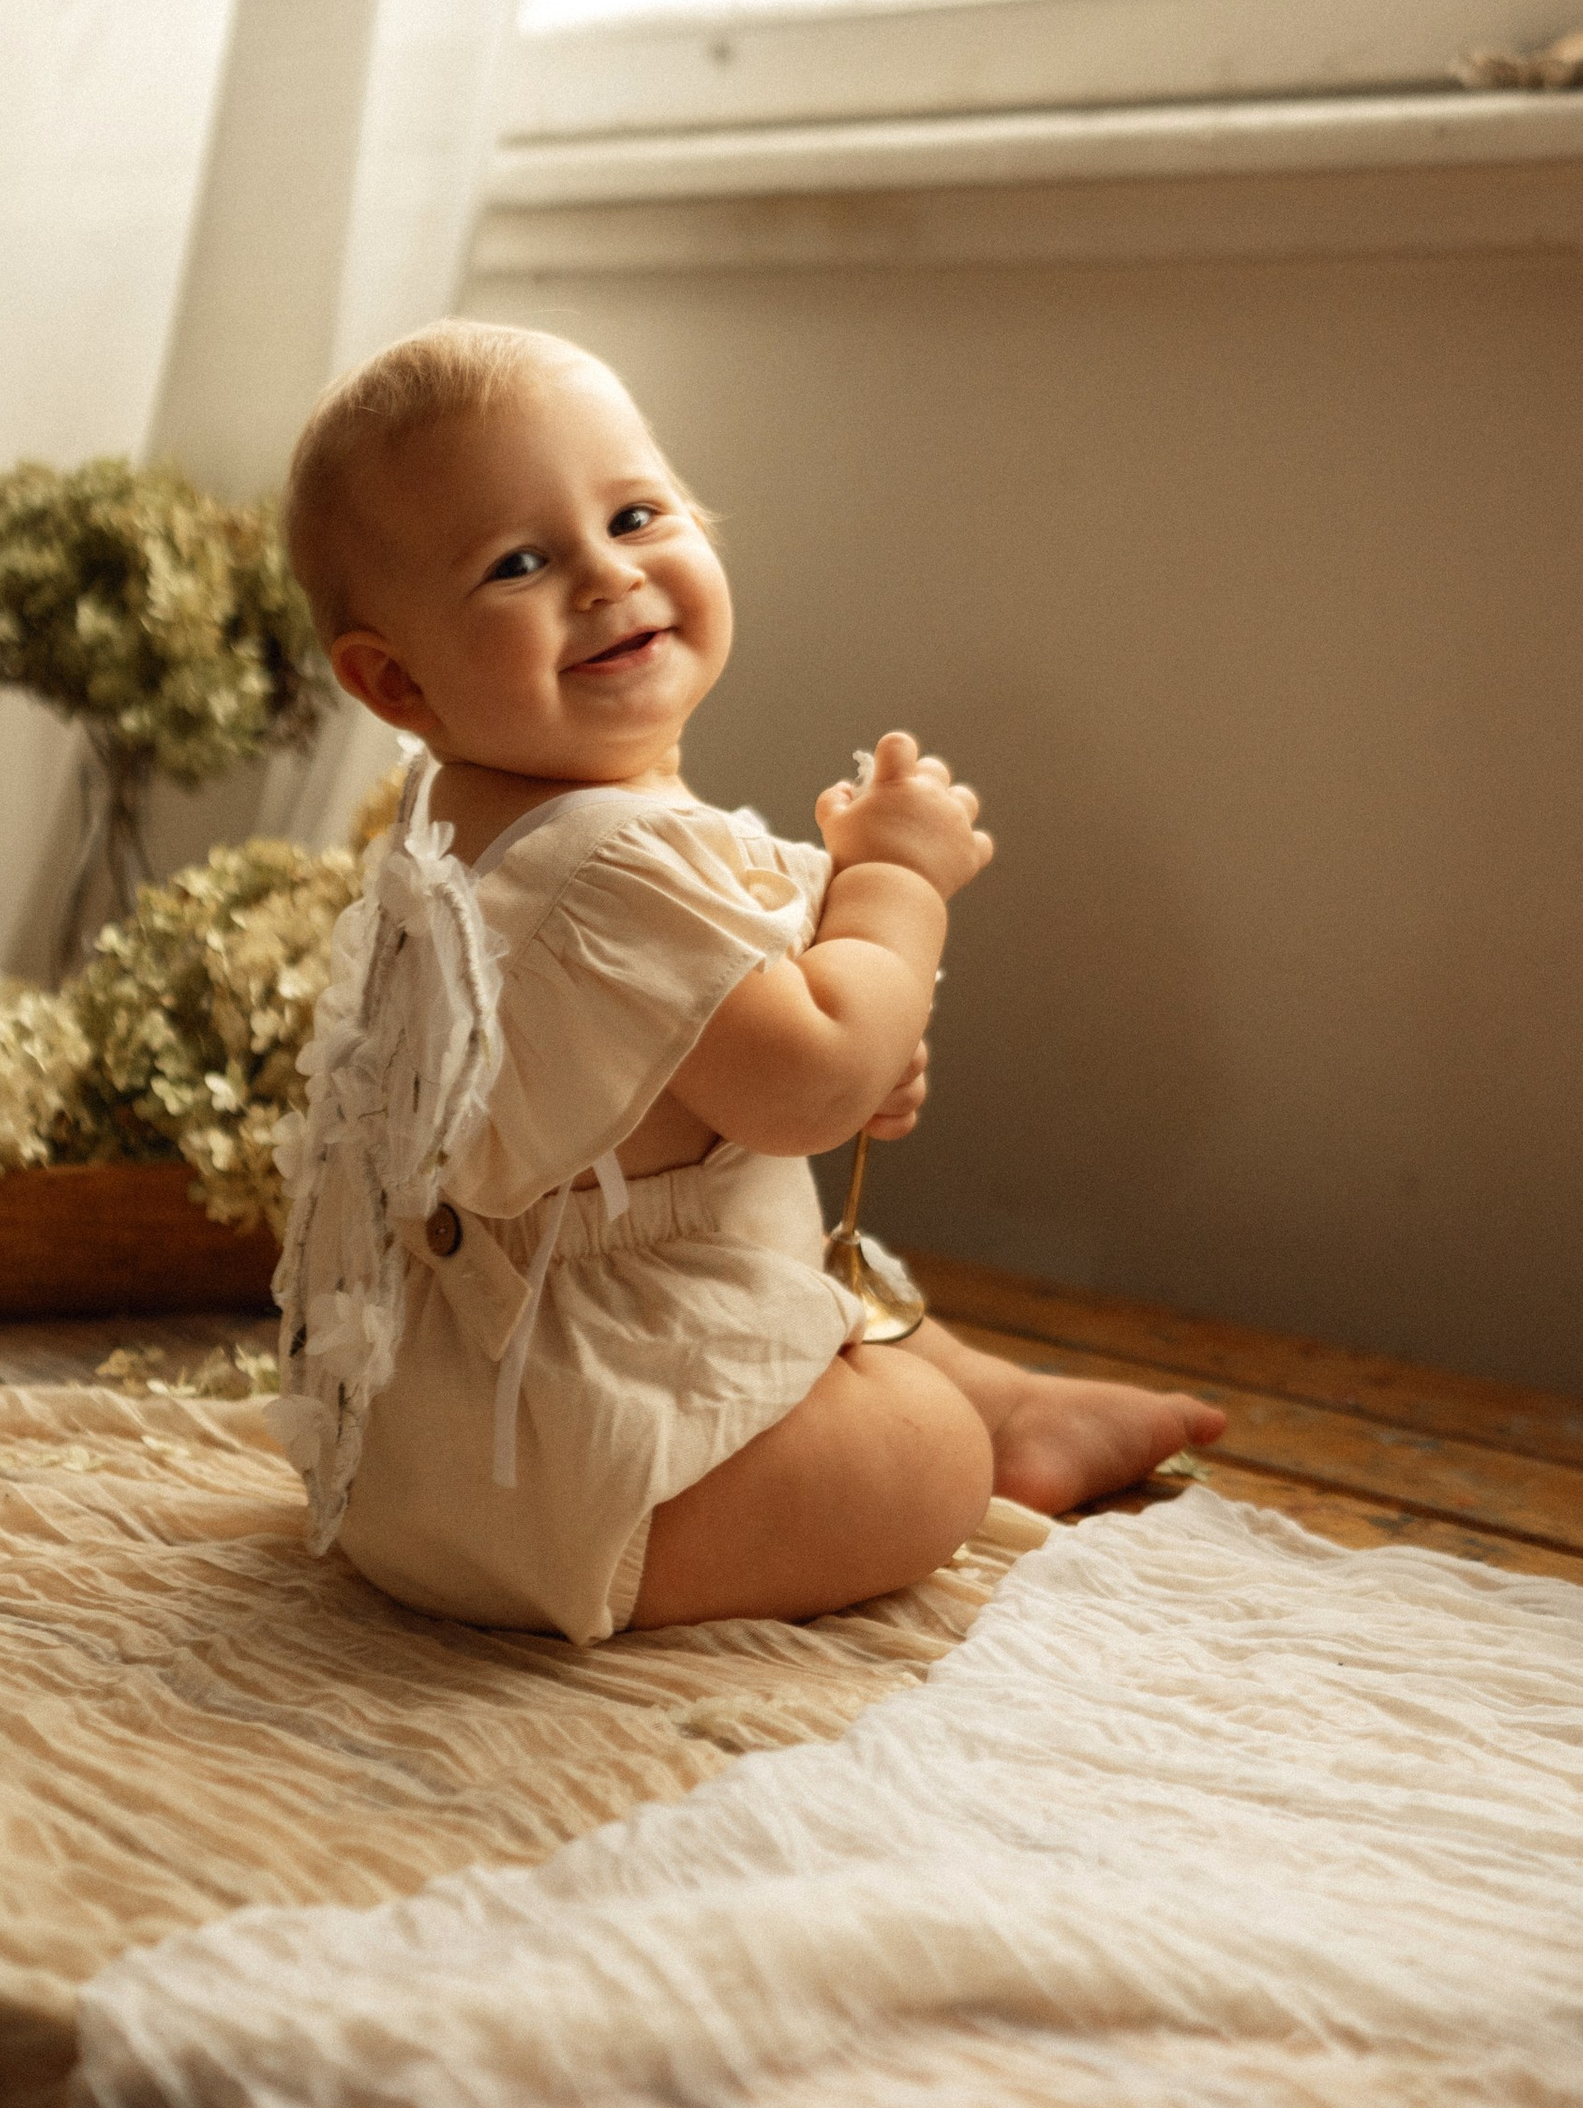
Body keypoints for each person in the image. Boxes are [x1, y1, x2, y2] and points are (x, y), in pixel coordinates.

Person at [269, 322, 1224, 1641]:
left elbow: (698, 1061)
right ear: (395, 678)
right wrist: (895, 885)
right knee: (922, 1455)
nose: (608, 577)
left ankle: (1021, 1408)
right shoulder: (603, 869)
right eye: (519, 563)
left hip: (426, 1440)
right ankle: (976, 1435)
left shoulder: (464, 821)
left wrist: (838, 1019)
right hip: (554, 1471)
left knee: (833, 1286)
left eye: (636, 513)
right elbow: (813, 1083)